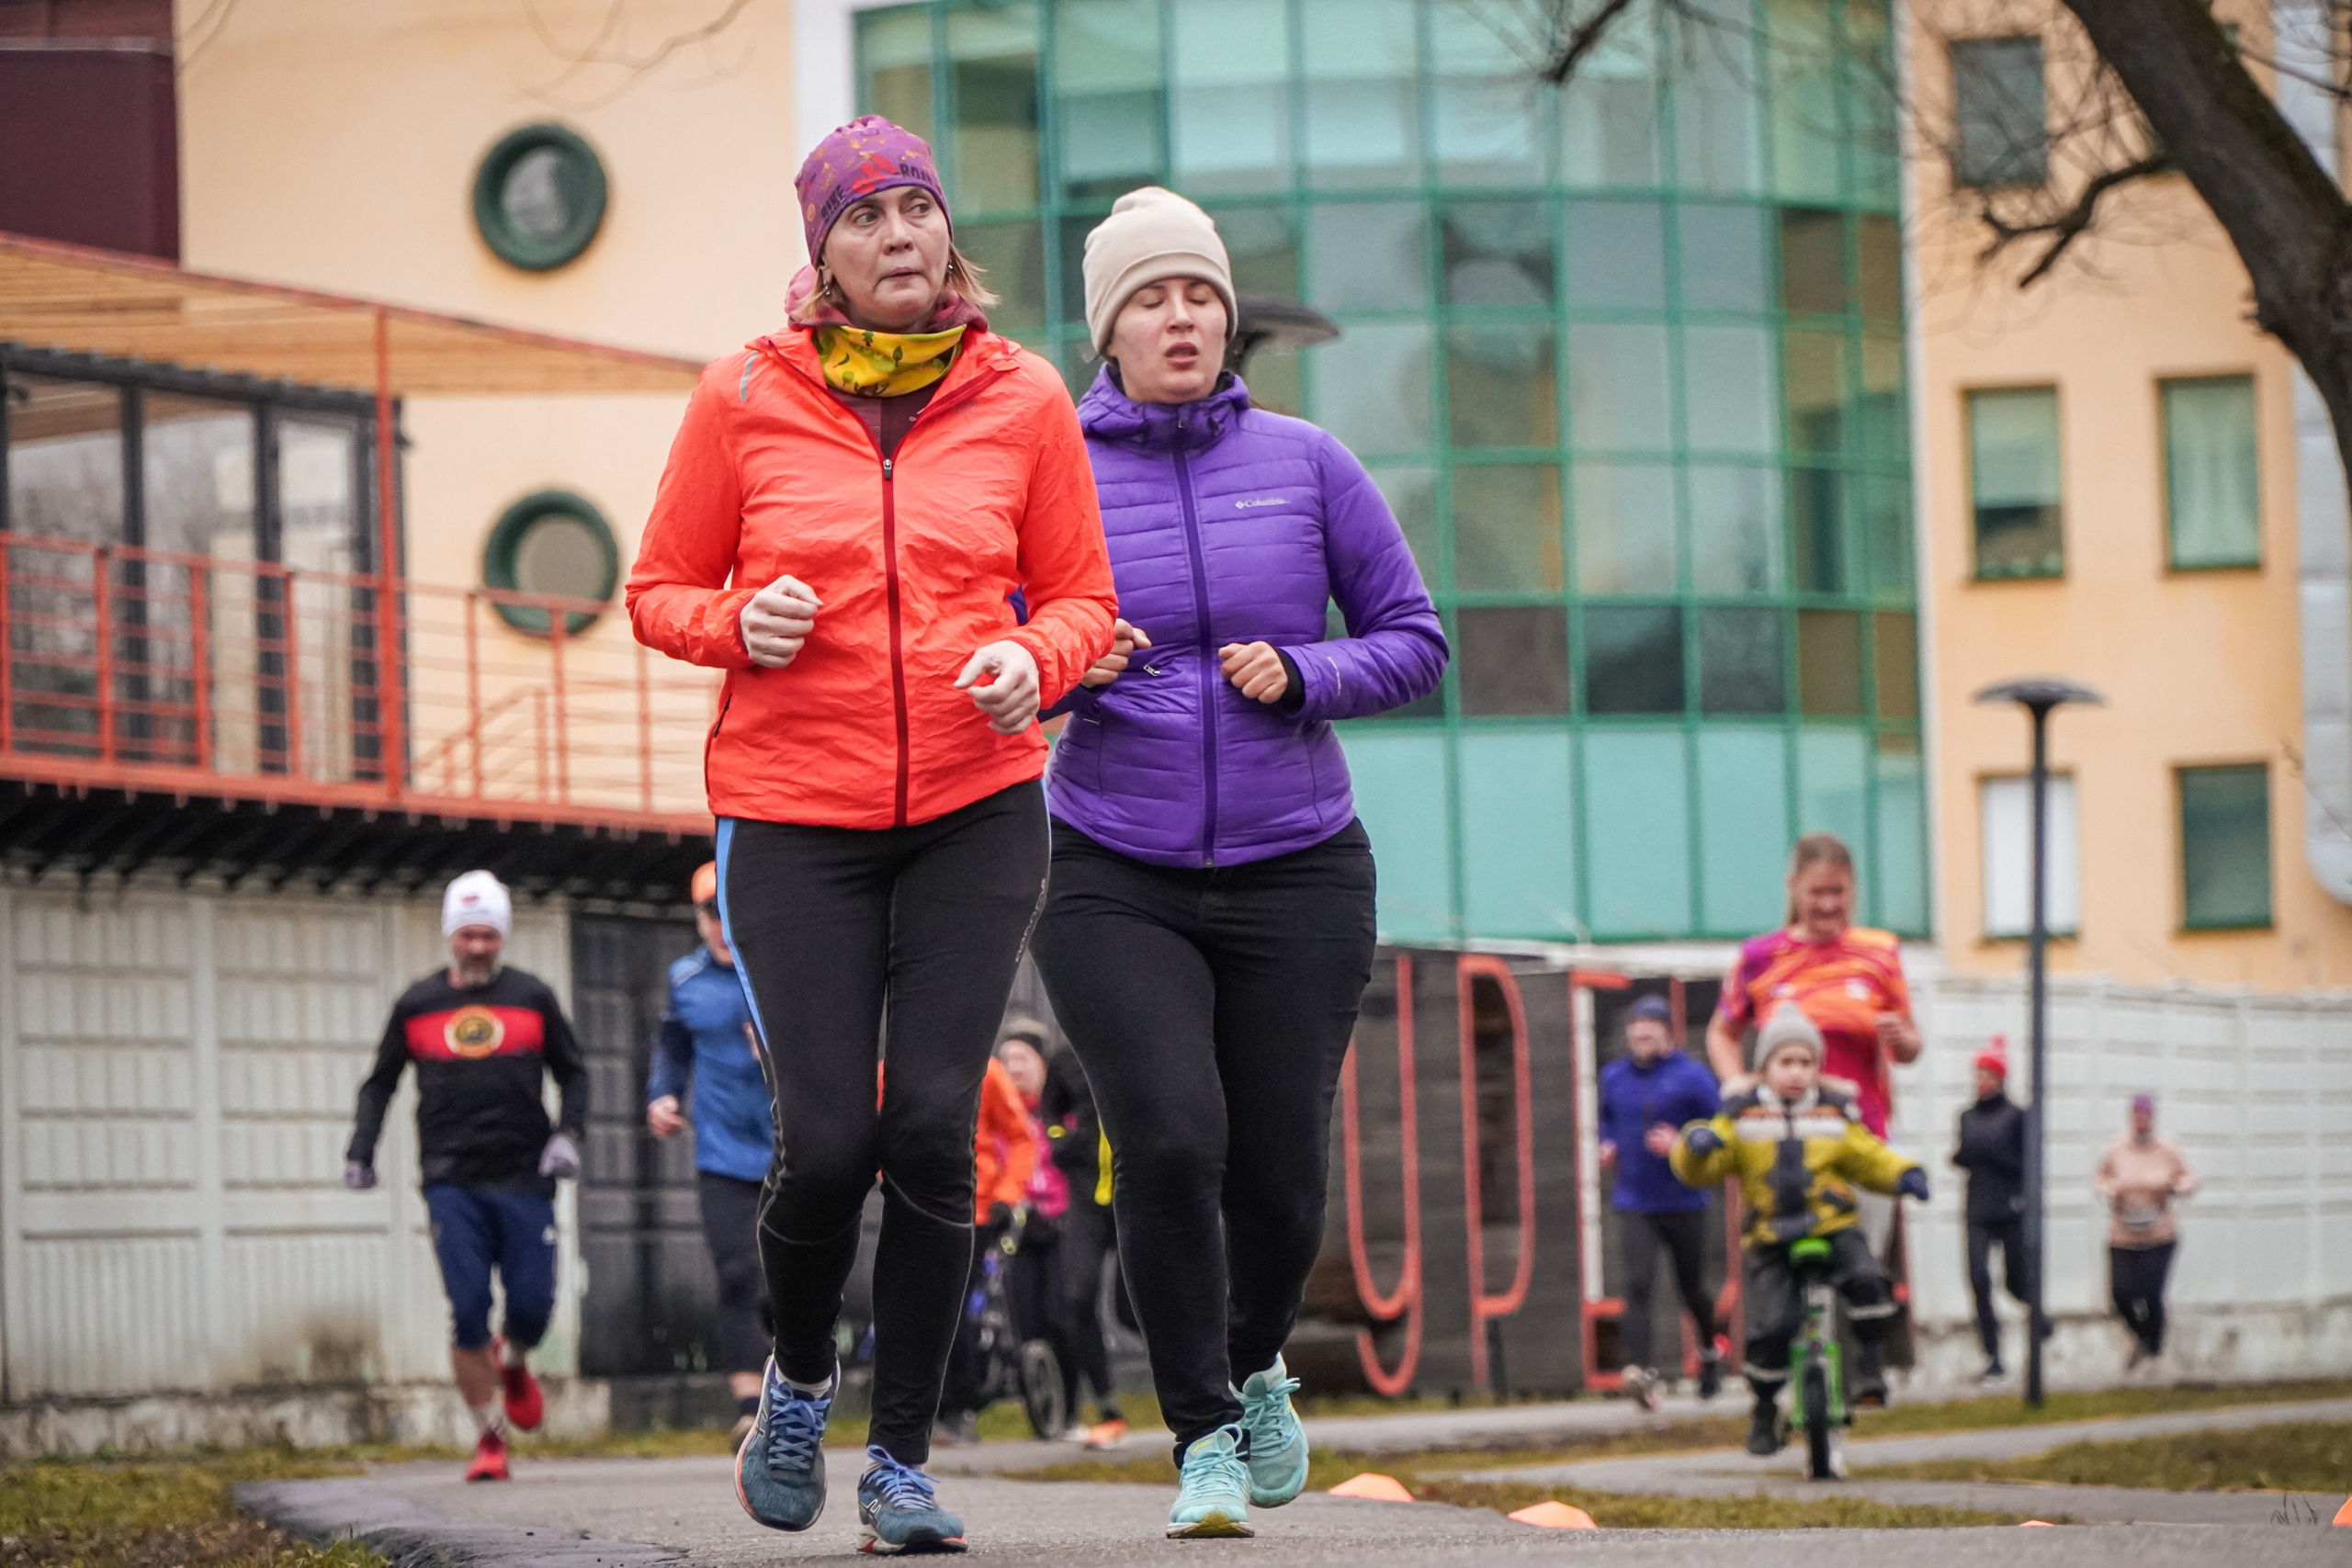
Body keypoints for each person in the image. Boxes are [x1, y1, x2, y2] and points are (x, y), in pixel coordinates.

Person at [626, 113, 1115, 1555]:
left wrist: (1042, 660)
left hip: (976, 805)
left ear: (947, 234)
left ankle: (899, 1459)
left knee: (930, 1129)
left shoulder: (1024, 397)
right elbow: (658, 584)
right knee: (828, 1140)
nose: (900, 234)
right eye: (867, 215)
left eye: (918, 209)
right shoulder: (742, 398)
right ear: (822, 254)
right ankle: (796, 1376)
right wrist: (737, 620)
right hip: (792, 810)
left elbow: (1083, 596)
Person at [1029, 186, 1448, 1540]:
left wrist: (1308, 670)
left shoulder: (1310, 461)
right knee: (1165, 1135)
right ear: (1110, 328)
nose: (1182, 316)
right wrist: (1060, 663)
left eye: (1199, 293)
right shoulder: (1055, 472)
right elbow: (991, 646)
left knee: (1279, 1172)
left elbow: (1416, 636)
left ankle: (1257, 1358)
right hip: (1109, 860)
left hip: (1297, 861)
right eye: (1152, 297)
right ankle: (1203, 1428)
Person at [345, 871, 588, 1483]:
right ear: (451, 936)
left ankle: (514, 1361)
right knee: (470, 1308)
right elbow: (381, 1082)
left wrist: (568, 1135)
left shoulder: (532, 996)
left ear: (500, 936)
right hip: (450, 1179)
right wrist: (361, 1148)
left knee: (532, 1305)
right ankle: (489, 1437)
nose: (478, 945)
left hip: (526, 1175)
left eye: (488, 934)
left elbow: (575, 1072)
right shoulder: (417, 1003)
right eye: (468, 934)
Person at [1671, 1005, 1928, 1456]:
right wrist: (1696, 1146)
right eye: (1785, 1062)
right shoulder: (1744, 1118)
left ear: (1817, 1069)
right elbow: (1702, 1168)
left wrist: (1903, 1173)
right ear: (1764, 1068)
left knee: (1867, 1278)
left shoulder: (1834, 1116)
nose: (1796, 1073)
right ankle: (1765, 1408)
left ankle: (1870, 1365)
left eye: (1806, 1063)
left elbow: (1870, 1157)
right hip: (1771, 1236)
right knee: (1772, 1328)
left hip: (1832, 1227)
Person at [1707, 831, 1922, 1265]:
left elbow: (1910, 1047)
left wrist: (1903, 1039)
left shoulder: (1880, 953)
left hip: (1861, 1130)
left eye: (1838, 892)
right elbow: (1722, 1032)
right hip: (1781, 1137)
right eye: (1816, 892)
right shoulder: (1760, 956)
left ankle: (1864, 1328)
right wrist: (1736, 1083)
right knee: (1786, 1270)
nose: (1827, 904)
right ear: (1793, 888)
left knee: (1862, 1267)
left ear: (1853, 889)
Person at [645, 861, 773, 1442]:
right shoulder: (686, 979)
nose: (721, 924)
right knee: (736, 1271)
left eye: (729, 910)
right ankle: (749, 1406)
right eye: (709, 913)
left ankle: (791, 1385)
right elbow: (671, 1047)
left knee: (786, 1277)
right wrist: (662, 1096)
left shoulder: (777, 971)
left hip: (787, 1148)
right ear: (697, 918)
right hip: (721, 1150)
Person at [1597, 994, 1726, 1409]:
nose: (1641, 1034)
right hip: (1635, 1198)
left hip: (1685, 1198)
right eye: (1636, 1028)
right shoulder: (1615, 1076)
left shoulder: (1692, 1077)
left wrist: (1682, 1142)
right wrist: (1607, 1143)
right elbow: (1606, 1118)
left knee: (1692, 1288)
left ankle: (1709, 1353)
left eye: (1651, 1028)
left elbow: (1721, 1125)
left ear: (1668, 1034)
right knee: (1637, 1284)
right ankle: (1642, 1375)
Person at [936, 1049, 1037, 1445]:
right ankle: (917, 1410)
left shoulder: (986, 1070)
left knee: (955, 1309)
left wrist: (1007, 1196)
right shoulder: (888, 1067)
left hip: (975, 1211)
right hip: (911, 1209)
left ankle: (959, 1406)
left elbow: (1022, 1137)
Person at [1036, 1033, 1130, 1447]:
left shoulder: (1139, 1033)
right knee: (1076, 1297)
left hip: (1135, 1195)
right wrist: (1062, 1142)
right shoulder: (1065, 1054)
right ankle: (1108, 1407)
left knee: (1135, 1310)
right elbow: (1049, 1111)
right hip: (1086, 1198)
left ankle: (1193, 1399)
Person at [1949, 1037, 2043, 1384]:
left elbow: (2025, 1163)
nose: (1981, 1081)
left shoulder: (2017, 1116)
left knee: (2016, 1281)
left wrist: (1991, 1155)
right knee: (1978, 1279)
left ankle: (2039, 1318)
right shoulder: (1967, 1116)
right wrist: (1964, 1157)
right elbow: (1963, 1153)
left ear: (2000, 1079)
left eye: (1987, 1074)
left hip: (2010, 1209)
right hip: (1977, 1209)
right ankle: (1993, 1356)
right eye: (1978, 1075)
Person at [2097, 1092, 2198, 1370]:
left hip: (2158, 1234)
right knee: (2121, 1294)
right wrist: (2108, 1190)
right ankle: (2142, 1337)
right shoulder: (2117, 1149)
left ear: (2152, 1118)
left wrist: (2179, 1188)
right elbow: (2101, 1177)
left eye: (2145, 1115)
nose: (2141, 1120)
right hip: (2123, 1233)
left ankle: (2154, 1347)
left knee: (2151, 1292)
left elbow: (2187, 1178)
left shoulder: (2166, 1150)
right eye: (2136, 1115)